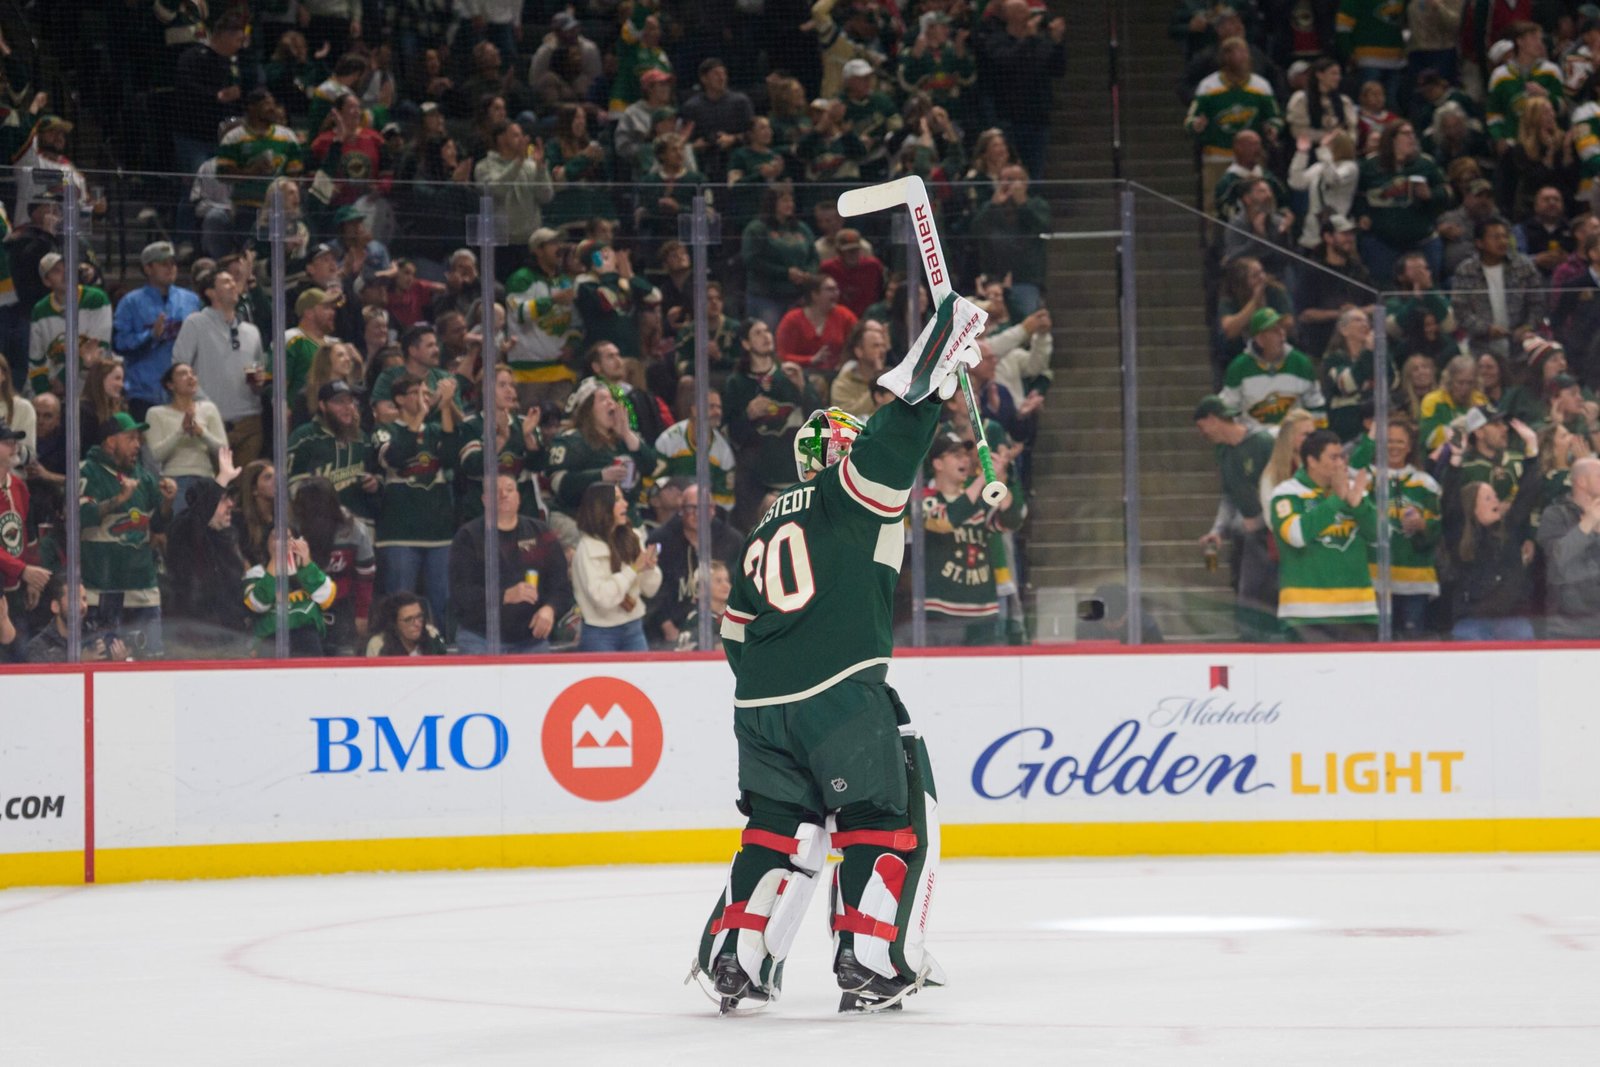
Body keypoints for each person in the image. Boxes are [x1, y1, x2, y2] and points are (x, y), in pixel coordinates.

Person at [690, 290, 985, 1016]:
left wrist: (777, 683)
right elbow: (896, 434)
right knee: (883, 816)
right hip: (840, 696)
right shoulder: (850, 496)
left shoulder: (767, 522)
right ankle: (871, 959)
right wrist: (938, 363)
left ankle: (735, 958)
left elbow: (734, 631)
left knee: (777, 830)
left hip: (760, 709)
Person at [1270, 429, 1379, 641]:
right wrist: (1336, 500)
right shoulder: (1287, 493)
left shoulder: (1354, 491)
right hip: (1306, 615)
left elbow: (1380, 537)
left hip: (1358, 611)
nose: (1341, 463)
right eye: (1333, 457)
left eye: (1342, 457)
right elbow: (1296, 536)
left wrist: (1359, 507)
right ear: (1312, 461)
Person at [918, 431, 1025, 646]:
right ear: (938, 463)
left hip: (984, 611)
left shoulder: (978, 499)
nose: (965, 460)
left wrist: (998, 480)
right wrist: (981, 481)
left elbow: (1011, 521)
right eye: (956, 455)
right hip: (941, 612)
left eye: (966, 455)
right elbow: (946, 521)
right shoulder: (924, 499)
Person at [449, 472, 573, 655]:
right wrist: (505, 596)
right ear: (484, 500)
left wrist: (550, 609)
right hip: (480, 639)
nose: (503, 495)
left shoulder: (540, 532)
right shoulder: (468, 537)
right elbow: (461, 593)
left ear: (519, 497)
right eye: (496, 491)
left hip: (532, 640)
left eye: (509, 489)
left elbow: (561, 586)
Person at [371, 372, 459, 628]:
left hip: (439, 532)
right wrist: (420, 416)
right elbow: (397, 457)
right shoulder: (384, 430)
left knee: (442, 601)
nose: (424, 398)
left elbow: (451, 457)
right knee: (400, 601)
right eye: (417, 393)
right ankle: (396, 647)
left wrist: (445, 408)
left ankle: (439, 644)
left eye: (427, 393)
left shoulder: (434, 430)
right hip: (399, 533)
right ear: (399, 399)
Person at [1441, 418, 1542, 640]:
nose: (1496, 500)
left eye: (1495, 496)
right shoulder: (1459, 534)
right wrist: (1456, 458)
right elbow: (1449, 501)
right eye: (1488, 498)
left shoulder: (1510, 528)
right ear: (1472, 507)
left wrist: (1532, 449)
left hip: (1511, 618)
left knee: (1523, 635)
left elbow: (1527, 494)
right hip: (1472, 618)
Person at [80, 411, 172, 656]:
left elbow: (159, 525)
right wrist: (119, 499)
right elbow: (79, 516)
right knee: (104, 663)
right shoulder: (88, 472)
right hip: (101, 591)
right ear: (111, 442)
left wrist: (167, 501)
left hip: (144, 591)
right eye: (131, 438)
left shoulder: (144, 477)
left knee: (150, 663)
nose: (137, 445)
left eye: (138, 439)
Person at [1195, 394, 1278, 642]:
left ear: (1212, 419)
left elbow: (1280, 487)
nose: (1202, 433)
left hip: (1274, 534)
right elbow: (1229, 495)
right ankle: (1250, 642)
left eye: (1201, 426)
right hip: (1249, 536)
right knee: (1247, 592)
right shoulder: (1224, 452)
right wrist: (1218, 531)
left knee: (1266, 591)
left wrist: (1260, 520)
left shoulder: (1262, 443)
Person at [172, 267, 266, 464]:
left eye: (234, 281)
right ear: (210, 292)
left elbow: (256, 372)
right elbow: (179, 367)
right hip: (210, 423)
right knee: (213, 483)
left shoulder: (251, 331)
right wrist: (205, 405)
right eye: (226, 282)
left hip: (250, 422)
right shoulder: (195, 324)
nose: (234, 285)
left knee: (247, 482)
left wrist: (259, 381)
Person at [163, 450, 249, 659]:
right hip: (191, 643)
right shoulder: (183, 530)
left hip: (230, 640)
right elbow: (197, 518)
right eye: (223, 500)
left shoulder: (226, 538)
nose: (231, 505)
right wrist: (222, 479)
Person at [644, 481, 744, 648]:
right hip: (669, 631)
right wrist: (667, 626)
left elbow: (741, 587)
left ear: (713, 510)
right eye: (691, 508)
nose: (698, 514)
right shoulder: (660, 540)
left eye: (704, 508)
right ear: (681, 510)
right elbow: (651, 590)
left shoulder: (732, 540)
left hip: (720, 627)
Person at [112, 242, 202, 420]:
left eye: (173, 263)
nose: (170, 268)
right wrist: (151, 335)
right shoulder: (130, 302)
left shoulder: (191, 300)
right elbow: (119, 343)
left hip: (184, 392)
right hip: (144, 393)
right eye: (163, 264)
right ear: (148, 268)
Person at [1372, 418, 1443, 639]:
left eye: (1400, 441)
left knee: (1412, 645)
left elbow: (1439, 528)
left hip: (1415, 583)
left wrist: (1423, 525)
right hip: (1375, 582)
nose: (1394, 447)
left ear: (1410, 446)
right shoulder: (1367, 478)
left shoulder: (1425, 483)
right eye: (1388, 441)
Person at [571, 482, 661, 653]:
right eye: (618, 500)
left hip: (634, 627)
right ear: (602, 507)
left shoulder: (632, 537)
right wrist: (633, 570)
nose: (625, 504)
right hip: (600, 632)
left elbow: (650, 590)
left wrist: (649, 568)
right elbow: (603, 598)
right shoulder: (586, 549)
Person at [291, 475, 376, 656]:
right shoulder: (293, 530)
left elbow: (365, 578)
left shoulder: (354, 530)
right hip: (303, 607)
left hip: (344, 606)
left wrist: (362, 614)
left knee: (345, 656)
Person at [1450, 218, 1545, 361]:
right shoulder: (1466, 271)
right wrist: (1485, 329)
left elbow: (1537, 303)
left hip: (1522, 346)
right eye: (1496, 237)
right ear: (1479, 243)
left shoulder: (1523, 266)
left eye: (1505, 236)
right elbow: (1461, 310)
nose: (1503, 241)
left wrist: (1527, 327)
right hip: (1481, 348)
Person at [1221, 308, 1328, 429]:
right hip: (1254, 438)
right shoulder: (1239, 367)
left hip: (1293, 438)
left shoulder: (1301, 363)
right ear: (1260, 339)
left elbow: (1316, 405)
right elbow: (1228, 410)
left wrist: (1318, 436)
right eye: (1274, 331)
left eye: (1282, 328)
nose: (1282, 333)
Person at [26, 251, 113, 398]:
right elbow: (36, 361)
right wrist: (45, 393)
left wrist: (63, 378)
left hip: (94, 385)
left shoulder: (96, 299)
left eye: (68, 268)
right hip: (55, 389)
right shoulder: (40, 310)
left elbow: (98, 346)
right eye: (56, 271)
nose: (65, 274)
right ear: (47, 281)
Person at [145, 362, 226, 514]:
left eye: (192, 373)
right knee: (179, 527)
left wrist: (202, 433)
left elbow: (223, 450)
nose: (190, 377)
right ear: (170, 385)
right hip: (175, 481)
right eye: (183, 374)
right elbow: (156, 454)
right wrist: (181, 431)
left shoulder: (208, 408)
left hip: (206, 478)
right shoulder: (156, 413)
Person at [1536, 456, 1600, 637]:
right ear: (1581, 481)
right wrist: (1587, 524)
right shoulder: (1555, 515)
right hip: (1568, 624)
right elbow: (1556, 559)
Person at [23, 575, 127, 663]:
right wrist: (79, 661)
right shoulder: (38, 647)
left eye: (84, 599)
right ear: (55, 606)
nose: (82, 605)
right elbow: (44, 680)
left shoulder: (94, 637)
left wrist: (117, 664)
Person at [365, 592, 448, 657]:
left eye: (419, 616)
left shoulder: (431, 636)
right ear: (394, 623)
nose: (417, 623)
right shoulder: (379, 644)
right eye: (408, 620)